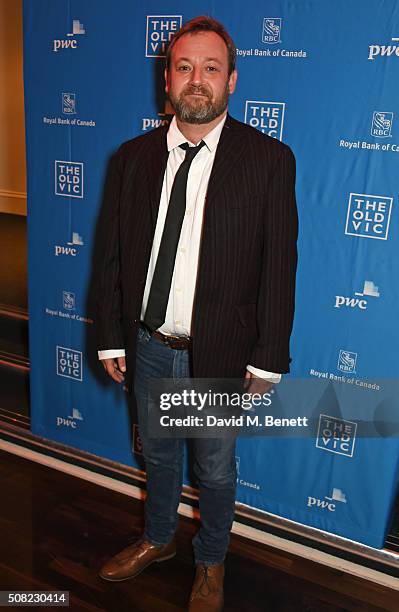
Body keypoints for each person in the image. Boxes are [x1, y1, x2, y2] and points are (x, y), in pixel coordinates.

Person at [95, 15, 298, 611]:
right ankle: (158, 539)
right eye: (185, 67)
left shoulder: (267, 160)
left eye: (211, 68)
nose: (197, 80)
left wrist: (267, 360)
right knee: (155, 455)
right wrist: (112, 339)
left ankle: (210, 562)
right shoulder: (131, 158)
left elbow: (279, 269)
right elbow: (111, 259)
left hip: (218, 355)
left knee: (213, 470)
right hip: (149, 345)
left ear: (232, 80)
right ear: (168, 79)